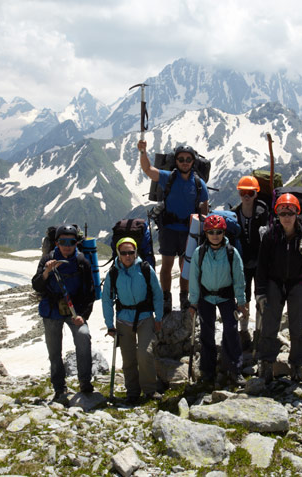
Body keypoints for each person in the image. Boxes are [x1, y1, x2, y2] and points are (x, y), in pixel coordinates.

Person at [255, 193, 302, 382]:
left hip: (297, 283)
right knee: (270, 324)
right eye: (282, 213)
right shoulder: (270, 235)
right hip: (274, 282)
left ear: (296, 214)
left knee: (298, 325)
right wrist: (260, 291)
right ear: (277, 214)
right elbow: (262, 265)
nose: (286, 217)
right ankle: (266, 363)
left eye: (290, 213)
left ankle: (297, 364)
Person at [137, 140, 209, 314]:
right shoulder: (168, 177)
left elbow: (204, 211)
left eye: (188, 159)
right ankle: (166, 297)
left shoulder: (199, 183)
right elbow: (148, 170)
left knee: (185, 266)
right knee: (168, 264)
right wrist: (142, 152)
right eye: (181, 159)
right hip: (169, 228)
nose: (184, 162)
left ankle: (184, 296)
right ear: (176, 161)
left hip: (188, 231)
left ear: (193, 162)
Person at [31, 224, 96, 401]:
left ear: (76, 243)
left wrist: (83, 315)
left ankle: (85, 382)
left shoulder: (82, 262)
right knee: (54, 351)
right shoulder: (47, 260)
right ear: (57, 243)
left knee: (83, 338)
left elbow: (90, 292)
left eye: (71, 242)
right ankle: (59, 388)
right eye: (63, 241)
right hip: (52, 310)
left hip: (75, 310)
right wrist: (46, 272)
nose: (67, 245)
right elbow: (37, 285)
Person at [102, 237, 165, 404]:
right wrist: (109, 325)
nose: (128, 256)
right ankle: (132, 392)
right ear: (118, 254)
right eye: (124, 253)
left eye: (131, 252)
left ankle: (150, 390)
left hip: (145, 317)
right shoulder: (113, 272)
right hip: (123, 319)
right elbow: (107, 299)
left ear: (136, 252)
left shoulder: (145, 268)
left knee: (145, 354)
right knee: (128, 358)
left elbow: (157, 294)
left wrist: (158, 317)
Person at [187, 214, 247, 386]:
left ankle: (234, 369)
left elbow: (239, 278)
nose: (215, 235)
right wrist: (193, 302)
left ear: (223, 233)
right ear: (206, 233)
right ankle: (208, 371)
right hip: (206, 298)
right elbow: (194, 278)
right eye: (211, 232)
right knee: (206, 333)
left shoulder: (231, 252)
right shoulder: (200, 253)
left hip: (226, 297)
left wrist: (241, 302)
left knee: (231, 330)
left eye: (218, 232)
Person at [231, 175, 269, 351]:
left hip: (261, 262)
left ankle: (258, 333)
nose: (246, 196)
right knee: (243, 298)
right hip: (242, 264)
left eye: (250, 193)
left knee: (260, 298)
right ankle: (244, 332)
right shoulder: (234, 214)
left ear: (256, 194)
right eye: (243, 192)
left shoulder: (263, 214)